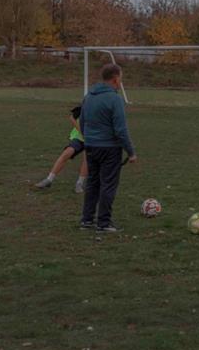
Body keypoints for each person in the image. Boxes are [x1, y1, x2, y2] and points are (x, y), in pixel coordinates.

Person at [79, 64, 136, 232]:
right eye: (120, 79)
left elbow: (82, 122)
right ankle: (104, 222)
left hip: (91, 146)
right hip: (109, 148)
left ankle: (86, 220)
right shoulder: (115, 99)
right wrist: (131, 152)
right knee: (108, 184)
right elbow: (120, 129)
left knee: (93, 183)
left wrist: (88, 139)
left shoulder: (89, 96)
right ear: (115, 79)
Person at [34, 106, 88, 193]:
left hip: (93, 138)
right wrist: (81, 131)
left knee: (87, 159)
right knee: (67, 153)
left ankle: (79, 183)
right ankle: (49, 180)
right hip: (79, 137)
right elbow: (72, 117)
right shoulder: (86, 104)